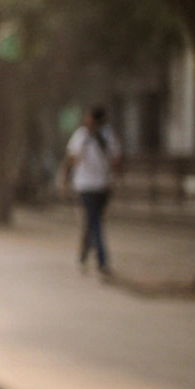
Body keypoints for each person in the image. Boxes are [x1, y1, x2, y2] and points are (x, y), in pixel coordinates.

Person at [60, 106, 122, 278]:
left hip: (98, 185)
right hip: (90, 185)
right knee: (95, 221)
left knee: (93, 221)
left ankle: (86, 255)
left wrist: (65, 177)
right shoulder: (88, 136)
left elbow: (71, 158)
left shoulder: (95, 136)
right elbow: (115, 160)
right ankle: (100, 259)